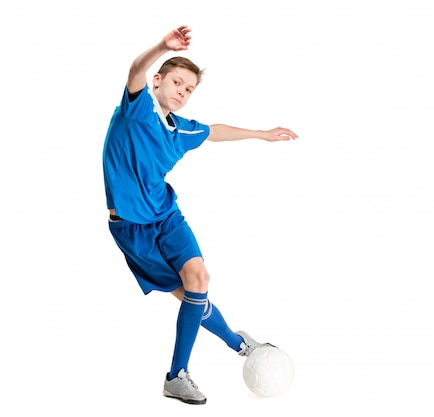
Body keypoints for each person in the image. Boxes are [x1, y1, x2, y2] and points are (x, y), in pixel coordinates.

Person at [102, 25, 298, 405]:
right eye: (177, 82)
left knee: (200, 278)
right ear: (159, 80)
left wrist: (262, 133)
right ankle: (239, 343)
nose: (181, 91)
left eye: (189, 89)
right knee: (193, 297)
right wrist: (161, 46)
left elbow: (216, 131)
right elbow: (134, 71)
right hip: (132, 227)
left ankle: (177, 376)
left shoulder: (180, 130)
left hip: (166, 215)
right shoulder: (137, 108)